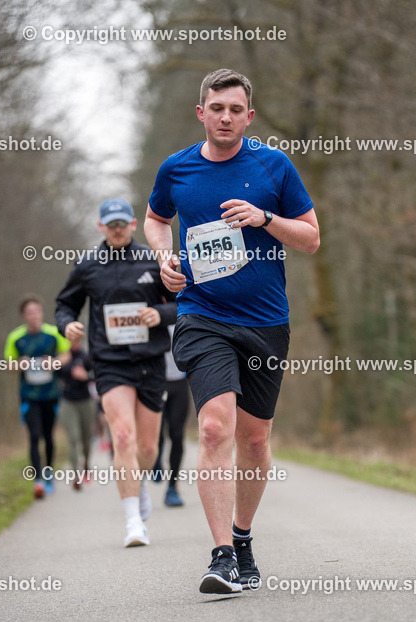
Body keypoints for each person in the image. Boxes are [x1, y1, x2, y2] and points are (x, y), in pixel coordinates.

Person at [143, 68, 319, 593]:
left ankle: (243, 539)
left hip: (266, 321)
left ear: (249, 115)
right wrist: (163, 255)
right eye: (216, 108)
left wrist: (264, 218)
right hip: (201, 314)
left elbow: (310, 238)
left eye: (235, 110)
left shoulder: (274, 166)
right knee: (216, 428)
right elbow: (154, 218)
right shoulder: (176, 169)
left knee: (256, 437)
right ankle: (221, 556)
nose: (225, 117)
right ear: (201, 112)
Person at [56, 198, 177, 547]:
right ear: (101, 228)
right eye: (111, 224)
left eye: (123, 223)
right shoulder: (88, 265)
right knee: (122, 437)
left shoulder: (153, 260)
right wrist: (68, 325)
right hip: (109, 362)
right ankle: (133, 522)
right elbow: (65, 304)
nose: (118, 229)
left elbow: (185, 300)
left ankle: (137, 492)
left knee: (149, 448)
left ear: (134, 224)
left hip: (151, 361)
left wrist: (162, 315)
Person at [5, 295, 71, 499]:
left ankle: (49, 473)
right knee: (34, 436)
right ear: (24, 316)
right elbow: (8, 365)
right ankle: (38, 481)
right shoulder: (16, 338)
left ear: (41, 313)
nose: (34, 316)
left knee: (48, 435)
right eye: (29, 313)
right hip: (29, 395)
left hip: (50, 393)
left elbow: (67, 355)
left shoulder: (52, 334)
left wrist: (54, 363)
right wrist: (20, 364)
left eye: (37, 312)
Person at [152, 325, 190, 507]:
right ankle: (155, 460)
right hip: (157, 382)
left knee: (177, 434)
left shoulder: (186, 309)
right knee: (156, 433)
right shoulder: (153, 308)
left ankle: (172, 487)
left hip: (180, 384)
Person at [56, 337, 95, 490]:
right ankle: (75, 475)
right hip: (68, 402)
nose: (74, 342)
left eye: (77, 340)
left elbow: (99, 375)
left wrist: (86, 376)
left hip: (86, 401)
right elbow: (50, 371)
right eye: (71, 340)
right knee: (73, 438)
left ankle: (86, 465)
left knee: (86, 439)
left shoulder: (87, 357)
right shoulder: (62, 358)